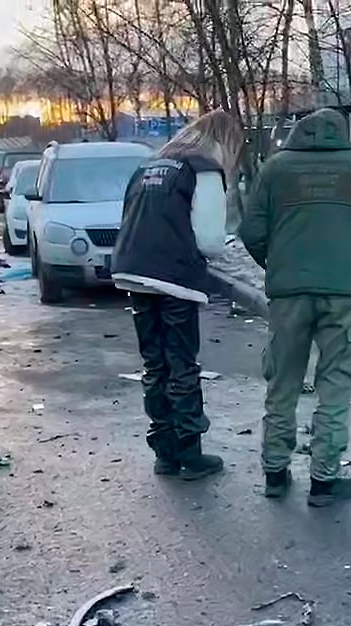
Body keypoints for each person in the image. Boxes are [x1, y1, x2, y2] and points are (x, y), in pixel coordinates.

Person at [240, 108, 351, 507]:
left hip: (288, 295)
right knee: (336, 386)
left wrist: (280, 266)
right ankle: (324, 479)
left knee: (282, 383)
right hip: (343, 295)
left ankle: (275, 473)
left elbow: (251, 231)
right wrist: (349, 266)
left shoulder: (275, 169)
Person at [111, 110, 245, 480]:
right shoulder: (204, 169)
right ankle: (190, 453)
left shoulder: (149, 166)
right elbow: (210, 241)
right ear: (226, 142)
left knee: (155, 363)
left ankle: (164, 453)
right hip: (173, 275)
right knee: (181, 363)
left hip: (134, 269)